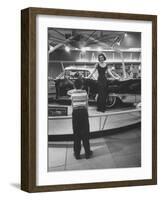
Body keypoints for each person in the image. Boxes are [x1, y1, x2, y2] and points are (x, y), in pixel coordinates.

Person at [67, 78, 93, 159]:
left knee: (76, 134)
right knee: (85, 133)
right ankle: (87, 153)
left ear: (74, 86)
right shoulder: (85, 93)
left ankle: (77, 154)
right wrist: (87, 114)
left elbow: (72, 104)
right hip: (83, 113)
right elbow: (86, 105)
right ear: (82, 85)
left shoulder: (72, 94)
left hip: (76, 114)